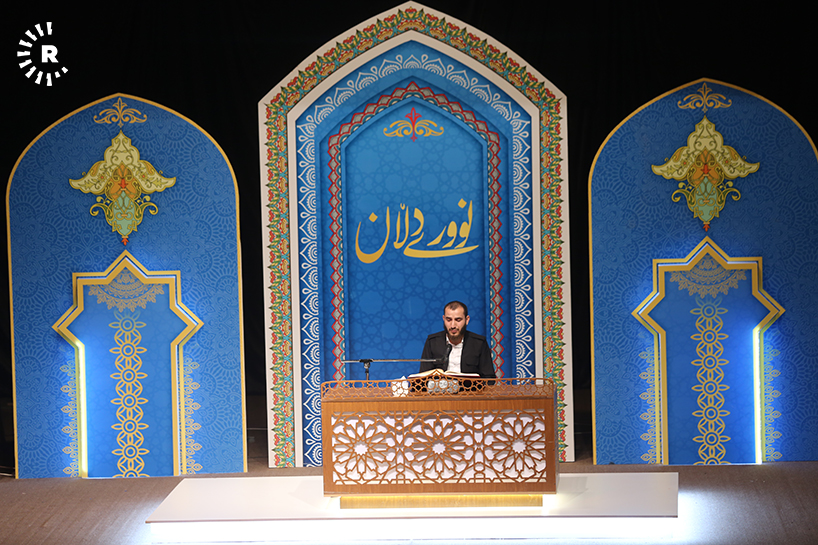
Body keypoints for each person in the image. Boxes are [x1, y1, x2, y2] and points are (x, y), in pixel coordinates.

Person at [419, 301, 496, 378]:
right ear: (443, 319)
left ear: (467, 320)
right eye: (449, 320)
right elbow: (423, 377)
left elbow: (489, 378)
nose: (453, 325)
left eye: (458, 320)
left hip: (469, 386)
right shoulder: (432, 342)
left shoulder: (479, 343)